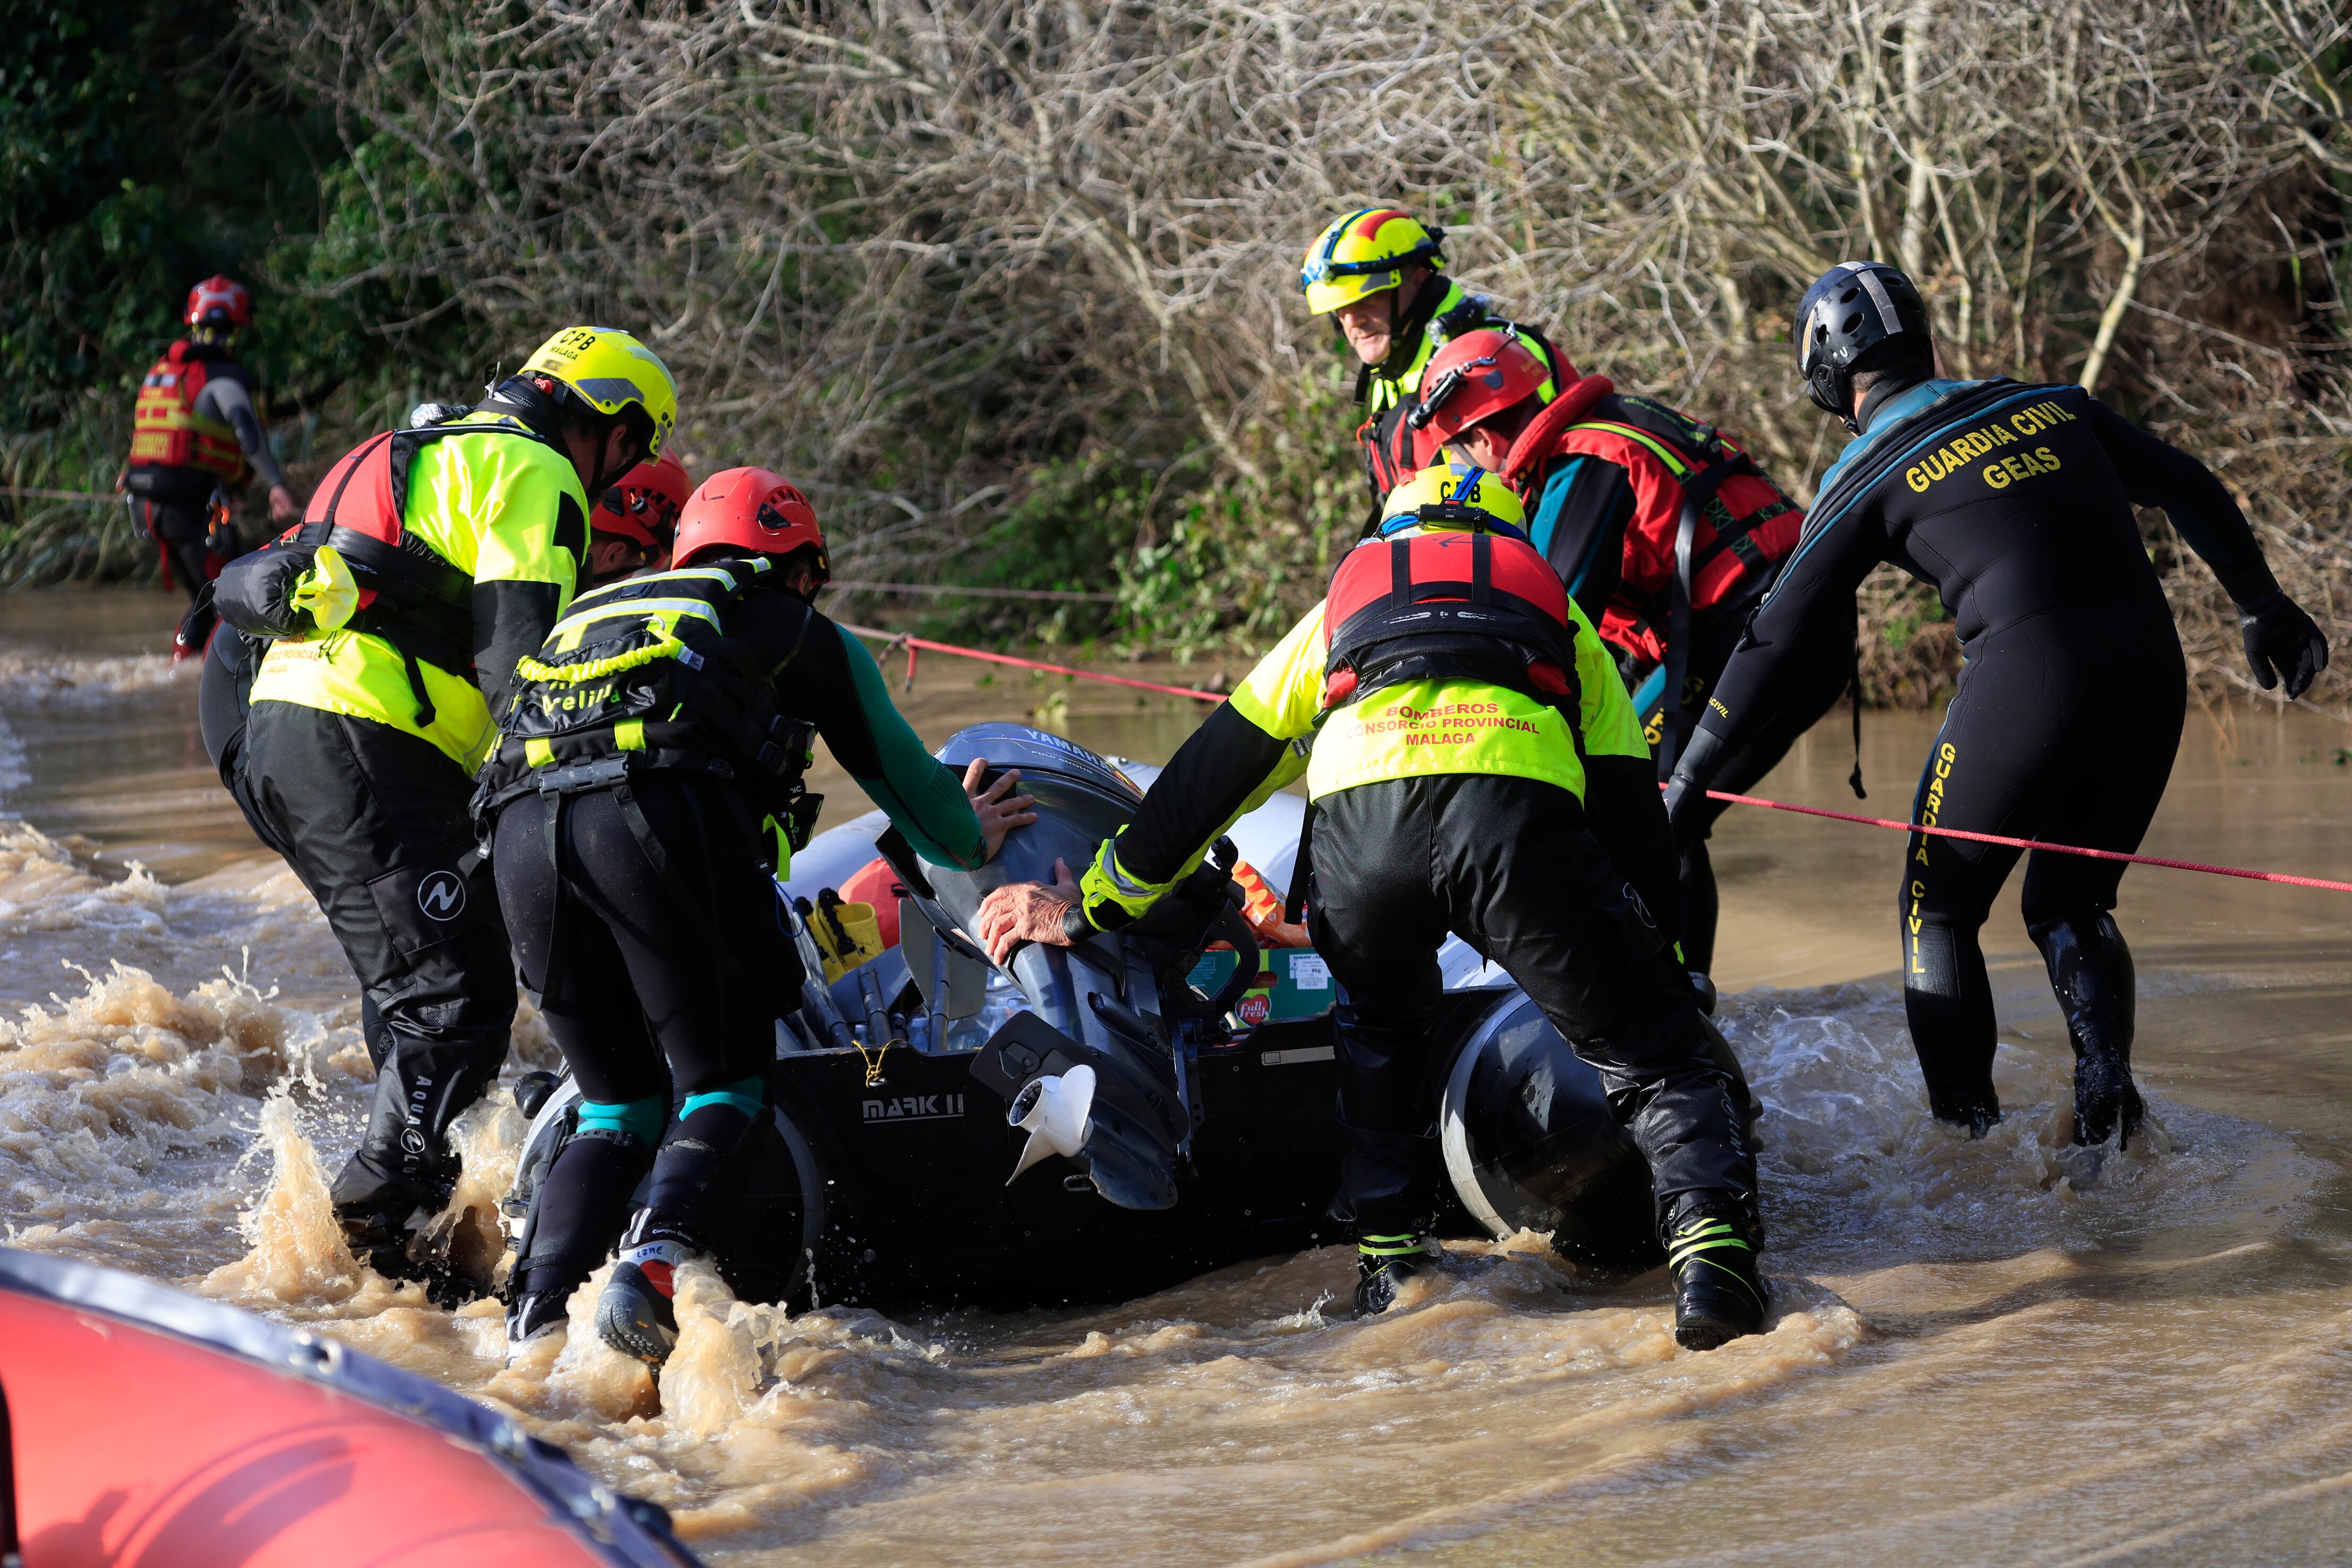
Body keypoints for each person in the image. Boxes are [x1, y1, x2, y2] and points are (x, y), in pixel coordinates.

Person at [976, 470, 1766, 1348]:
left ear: (1386, 531)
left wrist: (1086, 908)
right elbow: (1628, 809)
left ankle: (1393, 1268)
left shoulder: (1340, 610)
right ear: (1507, 536)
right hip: (1511, 823)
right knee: (1651, 1055)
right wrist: (1646, 956)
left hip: (1364, 838)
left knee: (1378, 1034)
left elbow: (1203, 783)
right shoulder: (1555, 611)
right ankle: (1712, 1270)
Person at [1665, 261, 2330, 1145]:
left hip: (2028, 677)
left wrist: (1686, 779)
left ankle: (1966, 1156)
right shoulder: (2051, 402)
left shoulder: (1866, 470)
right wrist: (2261, 605)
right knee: (2068, 902)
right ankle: (2104, 1097)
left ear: (1822, 374)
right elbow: (2186, 483)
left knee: (1935, 910)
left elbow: (1772, 640)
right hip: (2149, 670)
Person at [478, 467, 1035, 1365]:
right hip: (644, 821)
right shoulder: (790, 625)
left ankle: (530, 1330)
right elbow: (915, 796)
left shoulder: (596, 613)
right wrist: (974, 836)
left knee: (618, 1104)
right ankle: (648, 1269)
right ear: (798, 564)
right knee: (723, 1083)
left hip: (516, 843)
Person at [211, 325, 679, 1284]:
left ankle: (401, 1234)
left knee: (421, 988)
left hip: (284, 738)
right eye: (631, 446)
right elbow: (520, 666)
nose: (617, 474)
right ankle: (376, 1232)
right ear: (600, 418)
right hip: (367, 746)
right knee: (456, 1002)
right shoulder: (534, 471)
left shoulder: (403, 447)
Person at [1406, 328, 1855, 992]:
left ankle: (1665, 1007)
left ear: (1482, 434)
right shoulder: (1618, 425)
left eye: (1462, 449)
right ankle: (1684, 992)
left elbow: (1547, 621)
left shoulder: (1582, 463)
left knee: (1636, 810)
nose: (1472, 469)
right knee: (1670, 815)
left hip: (1749, 640)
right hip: (1802, 631)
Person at [1298, 209, 1557, 517]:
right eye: (1340, 308)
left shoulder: (1484, 363)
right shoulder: (1395, 369)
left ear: (1419, 278)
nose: (1353, 322)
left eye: (1368, 298)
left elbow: (1513, 513)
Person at [121, 276, 300, 659]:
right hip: (186, 505)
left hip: (144, 504)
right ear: (237, 325)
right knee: (226, 595)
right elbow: (246, 431)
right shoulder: (223, 377)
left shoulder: (163, 371)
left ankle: (179, 673)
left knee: (204, 597)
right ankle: (207, 687)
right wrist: (276, 485)